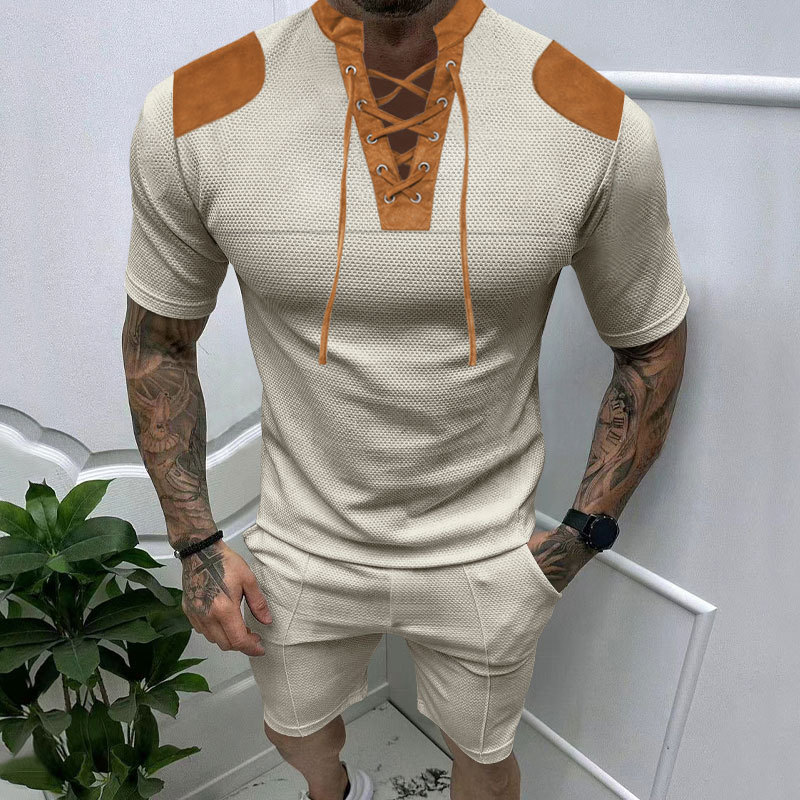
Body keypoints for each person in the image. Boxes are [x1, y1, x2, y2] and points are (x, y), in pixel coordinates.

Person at [121, 0, 689, 797]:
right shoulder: (193, 112)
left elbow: (651, 342)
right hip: (303, 546)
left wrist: (580, 539)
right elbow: (158, 341)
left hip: (486, 553)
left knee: (485, 757)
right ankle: (333, 790)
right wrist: (195, 545)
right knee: (293, 732)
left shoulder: (592, 118)